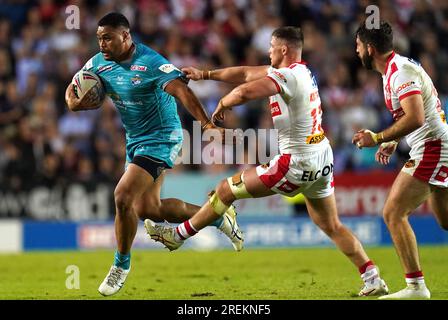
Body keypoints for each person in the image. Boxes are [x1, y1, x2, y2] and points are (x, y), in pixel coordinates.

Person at [145, 26, 389, 297]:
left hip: (295, 162)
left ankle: (177, 236)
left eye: (272, 46)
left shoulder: (286, 76)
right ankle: (372, 276)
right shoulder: (302, 71)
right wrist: (205, 74)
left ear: (284, 49)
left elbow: (246, 91)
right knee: (331, 225)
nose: (268, 50)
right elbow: (246, 73)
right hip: (321, 157)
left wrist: (223, 103)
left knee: (225, 190)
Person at [64, 12, 243, 297]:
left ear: (126, 36)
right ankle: (219, 216)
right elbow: (74, 85)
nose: (102, 44)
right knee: (148, 210)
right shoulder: (99, 63)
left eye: (107, 38)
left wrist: (207, 125)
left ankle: (120, 266)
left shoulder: (150, 63)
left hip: (162, 137)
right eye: (99, 38)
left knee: (122, 196)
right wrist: (73, 102)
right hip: (135, 140)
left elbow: (182, 92)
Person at [352, 20, 448, 299]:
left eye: (358, 47)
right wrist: (394, 141)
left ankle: (416, 287)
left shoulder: (400, 73)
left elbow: (417, 117)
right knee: (445, 221)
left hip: (433, 147)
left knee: (393, 213)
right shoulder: (393, 71)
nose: (356, 52)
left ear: (370, 49)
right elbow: (413, 114)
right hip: (433, 145)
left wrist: (379, 137)